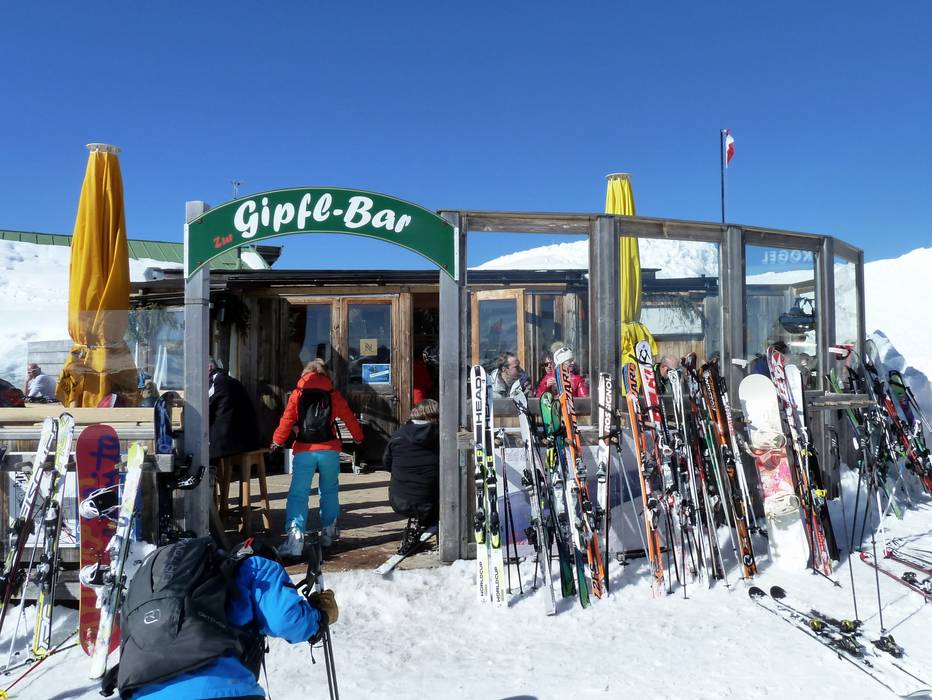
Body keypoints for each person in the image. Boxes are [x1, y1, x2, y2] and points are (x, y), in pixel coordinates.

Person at [105, 537, 338, 699]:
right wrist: (320, 617)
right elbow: (286, 620)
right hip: (222, 690)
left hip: (143, 691)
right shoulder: (256, 566)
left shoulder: (179, 587)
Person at [272, 359, 363, 555]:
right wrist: (358, 437)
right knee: (329, 490)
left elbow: (286, 420)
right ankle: (329, 532)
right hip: (329, 449)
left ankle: (295, 539)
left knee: (298, 493)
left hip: (304, 450)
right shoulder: (333, 394)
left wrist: (277, 441)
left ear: (305, 374)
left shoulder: (297, 394)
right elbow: (349, 418)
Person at [383, 399, 440, 549]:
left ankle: (422, 525)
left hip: (399, 500)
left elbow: (387, 465)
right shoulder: (441, 437)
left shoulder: (397, 435)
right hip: (431, 502)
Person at [209, 359, 262, 461]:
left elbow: (204, 409)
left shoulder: (216, 381)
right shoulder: (231, 380)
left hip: (230, 443)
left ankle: (212, 470)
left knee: (198, 447)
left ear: (209, 367)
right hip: (247, 439)